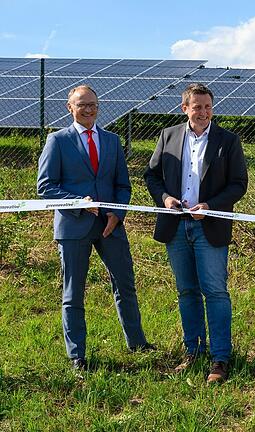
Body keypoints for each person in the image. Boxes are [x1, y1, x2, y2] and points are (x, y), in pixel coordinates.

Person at [37, 85, 152, 371]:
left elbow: (123, 185)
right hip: (73, 227)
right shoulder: (57, 141)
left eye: (92, 105)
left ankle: (136, 342)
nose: (88, 110)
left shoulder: (112, 141)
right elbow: (45, 187)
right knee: (73, 292)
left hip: (110, 226)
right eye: (81, 105)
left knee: (125, 284)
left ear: (98, 107)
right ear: (69, 107)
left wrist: (117, 213)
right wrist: (75, 201)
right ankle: (77, 354)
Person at [144, 83, 248, 384]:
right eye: (197, 106)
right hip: (176, 226)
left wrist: (210, 205)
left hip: (209, 226)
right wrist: (164, 198)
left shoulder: (228, 140)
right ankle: (193, 351)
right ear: (184, 108)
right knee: (187, 291)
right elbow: (151, 175)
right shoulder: (168, 135)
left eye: (207, 107)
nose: (203, 112)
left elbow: (239, 183)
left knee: (215, 292)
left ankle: (220, 358)